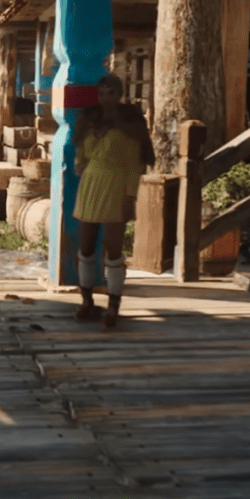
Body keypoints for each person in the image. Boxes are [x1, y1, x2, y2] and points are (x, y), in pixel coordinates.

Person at [71, 74, 155, 331]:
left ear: (119, 95)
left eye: (111, 93)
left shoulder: (130, 122)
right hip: (91, 184)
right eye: (102, 93)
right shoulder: (90, 119)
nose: (106, 98)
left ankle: (113, 305)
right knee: (86, 244)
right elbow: (81, 152)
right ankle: (86, 301)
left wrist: (130, 195)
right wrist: (81, 164)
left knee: (113, 246)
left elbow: (134, 164)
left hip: (117, 184)